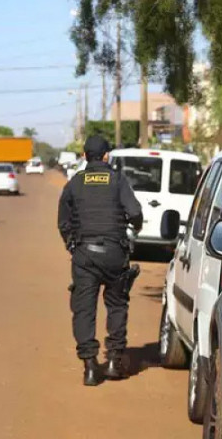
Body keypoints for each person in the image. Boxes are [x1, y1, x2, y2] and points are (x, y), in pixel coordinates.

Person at [57, 135, 143, 386]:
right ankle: (115, 361)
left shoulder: (74, 183)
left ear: (85, 156)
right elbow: (135, 213)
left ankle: (91, 367)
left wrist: (72, 244)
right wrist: (133, 228)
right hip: (116, 254)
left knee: (84, 308)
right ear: (106, 156)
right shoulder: (117, 181)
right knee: (117, 305)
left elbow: (63, 221)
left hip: (84, 256)